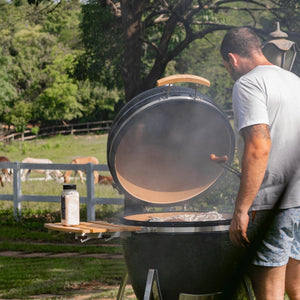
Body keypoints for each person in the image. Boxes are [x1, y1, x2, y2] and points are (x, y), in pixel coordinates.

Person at [220, 27, 300, 300]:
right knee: (297, 288)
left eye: (226, 66)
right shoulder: (294, 81)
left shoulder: (248, 84)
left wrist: (241, 209)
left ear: (232, 58)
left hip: (272, 206)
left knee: (270, 293)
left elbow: (258, 146)